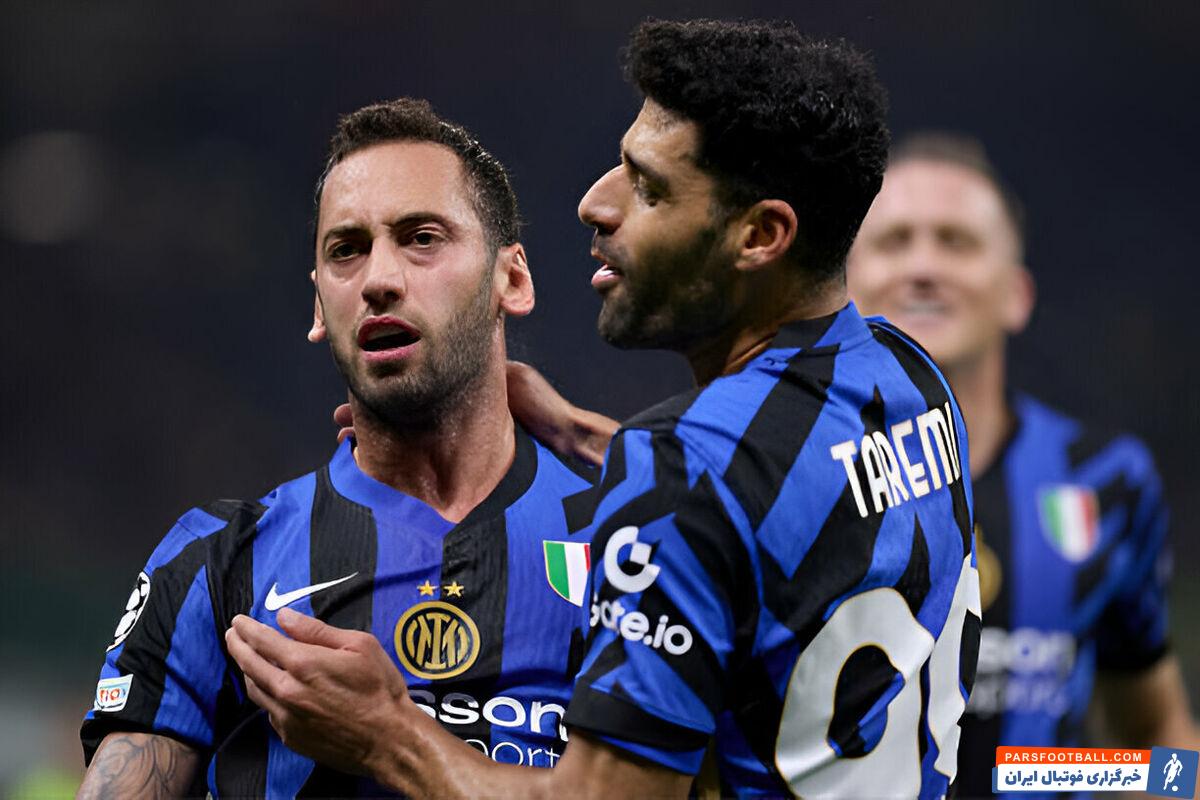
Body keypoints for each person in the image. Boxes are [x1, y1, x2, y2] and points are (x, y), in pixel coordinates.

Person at [227, 19, 981, 797]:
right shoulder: (907, 375)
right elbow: (779, 500)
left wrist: (389, 733)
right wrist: (587, 435)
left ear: (760, 235)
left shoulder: (683, 473)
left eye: (648, 187)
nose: (595, 204)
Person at [76, 99, 600, 797]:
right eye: (346, 250)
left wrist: (390, 735)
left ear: (512, 278)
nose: (379, 279)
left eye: (421, 237)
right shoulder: (219, 562)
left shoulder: (630, 539)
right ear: (321, 305)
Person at [846, 131, 1200, 797]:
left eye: (956, 242)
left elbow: (1159, 741)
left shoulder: (1107, 480)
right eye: (894, 241)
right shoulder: (780, 476)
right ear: (844, 287)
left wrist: (1067, 778)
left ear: (1017, 293)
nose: (923, 266)